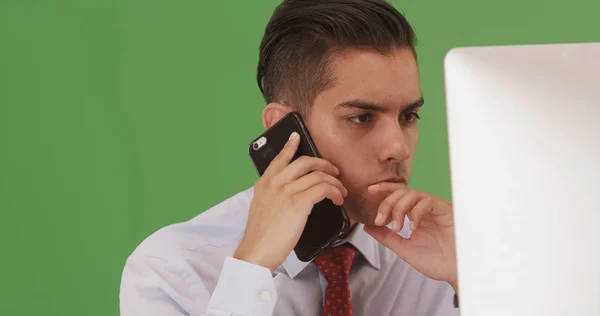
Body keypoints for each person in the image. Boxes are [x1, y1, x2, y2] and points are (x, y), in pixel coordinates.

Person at [120, 0, 459, 315]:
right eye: (361, 118)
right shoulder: (170, 271)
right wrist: (252, 267)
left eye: (408, 116)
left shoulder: (442, 259)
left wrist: (475, 281)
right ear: (284, 128)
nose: (398, 148)